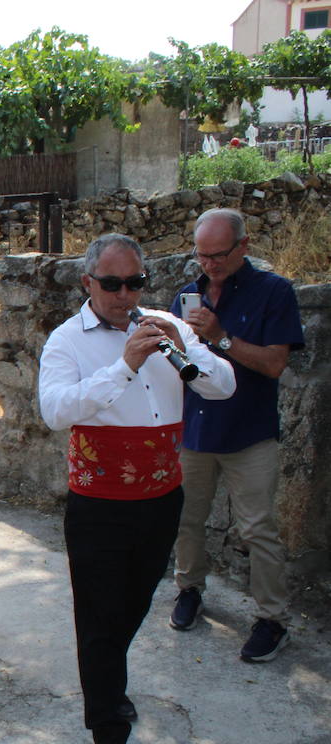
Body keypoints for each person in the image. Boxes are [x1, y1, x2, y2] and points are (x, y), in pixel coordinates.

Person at [39, 233, 235, 744]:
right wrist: (124, 367)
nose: (127, 295)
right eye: (113, 284)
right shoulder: (67, 340)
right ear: (87, 284)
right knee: (99, 621)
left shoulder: (163, 325)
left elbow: (222, 387)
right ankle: (109, 738)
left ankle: (108, 680)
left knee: (133, 604)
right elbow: (55, 411)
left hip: (160, 496)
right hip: (98, 503)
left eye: (136, 283)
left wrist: (188, 345)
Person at [169, 208, 306, 662]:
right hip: (196, 430)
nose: (209, 264)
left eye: (218, 254)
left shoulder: (273, 292)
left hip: (249, 433)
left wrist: (221, 338)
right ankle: (188, 590)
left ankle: (272, 619)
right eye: (201, 255)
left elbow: (273, 364)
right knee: (187, 519)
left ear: (243, 247)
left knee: (258, 529)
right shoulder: (187, 297)